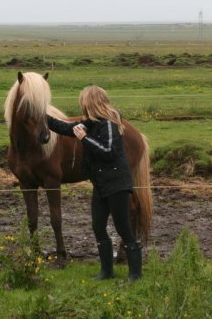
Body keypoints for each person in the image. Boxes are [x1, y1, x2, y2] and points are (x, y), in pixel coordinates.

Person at [47, 85, 142, 282]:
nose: (81, 105)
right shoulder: (91, 123)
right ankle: (106, 271)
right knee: (98, 226)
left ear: (90, 103)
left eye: (83, 102)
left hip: (116, 184)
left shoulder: (109, 124)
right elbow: (65, 128)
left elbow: (108, 151)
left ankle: (135, 274)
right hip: (100, 184)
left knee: (123, 228)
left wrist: (85, 139)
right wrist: (42, 114)